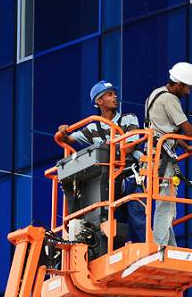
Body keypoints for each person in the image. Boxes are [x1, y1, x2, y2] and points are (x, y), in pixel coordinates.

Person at [57, 80, 147, 243]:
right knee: (115, 222)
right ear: (99, 101)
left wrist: (109, 147)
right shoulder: (93, 128)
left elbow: (131, 146)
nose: (115, 97)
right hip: (110, 181)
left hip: (131, 177)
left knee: (138, 219)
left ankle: (143, 251)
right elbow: (68, 138)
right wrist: (63, 130)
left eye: (114, 93)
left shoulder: (128, 119)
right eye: (110, 94)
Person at [144, 62, 192, 247]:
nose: (188, 92)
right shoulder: (169, 99)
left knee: (166, 202)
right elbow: (186, 128)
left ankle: (170, 247)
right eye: (188, 87)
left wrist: (185, 147)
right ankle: (160, 247)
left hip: (155, 155)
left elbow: (164, 131)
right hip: (162, 157)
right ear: (178, 84)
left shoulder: (155, 95)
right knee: (166, 203)